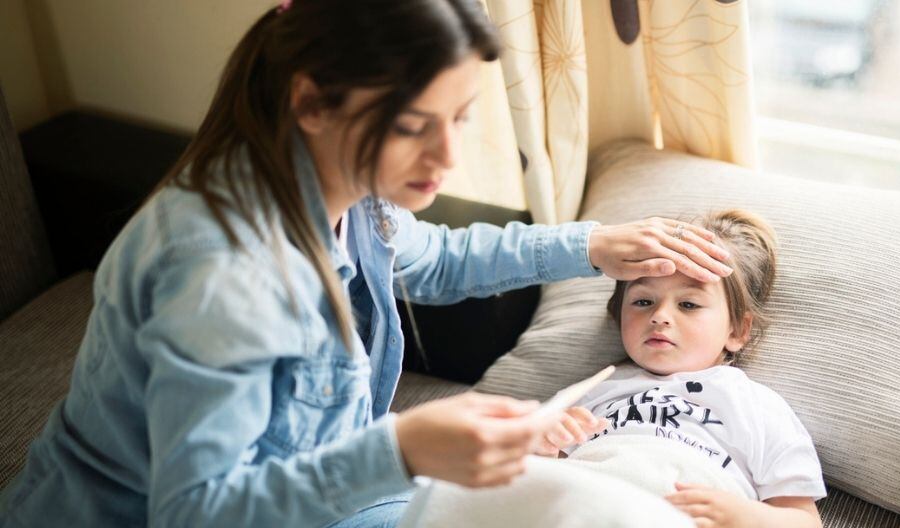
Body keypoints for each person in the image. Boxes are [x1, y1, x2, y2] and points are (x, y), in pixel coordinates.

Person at [0, 1, 733, 527]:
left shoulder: (350, 196)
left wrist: (588, 245)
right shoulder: (221, 273)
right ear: (313, 103)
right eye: (415, 127)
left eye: (460, 118)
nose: (446, 158)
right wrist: (400, 448)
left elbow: (439, 259)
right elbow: (195, 511)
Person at [536, 209, 826, 528]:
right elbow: (539, 485)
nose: (660, 316)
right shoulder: (590, 390)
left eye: (688, 304)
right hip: (588, 503)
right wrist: (546, 445)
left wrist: (743, 516)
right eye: (643, 301)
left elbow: (804, 521)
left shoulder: (759, 407)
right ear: (619, 316)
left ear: (737, 331)